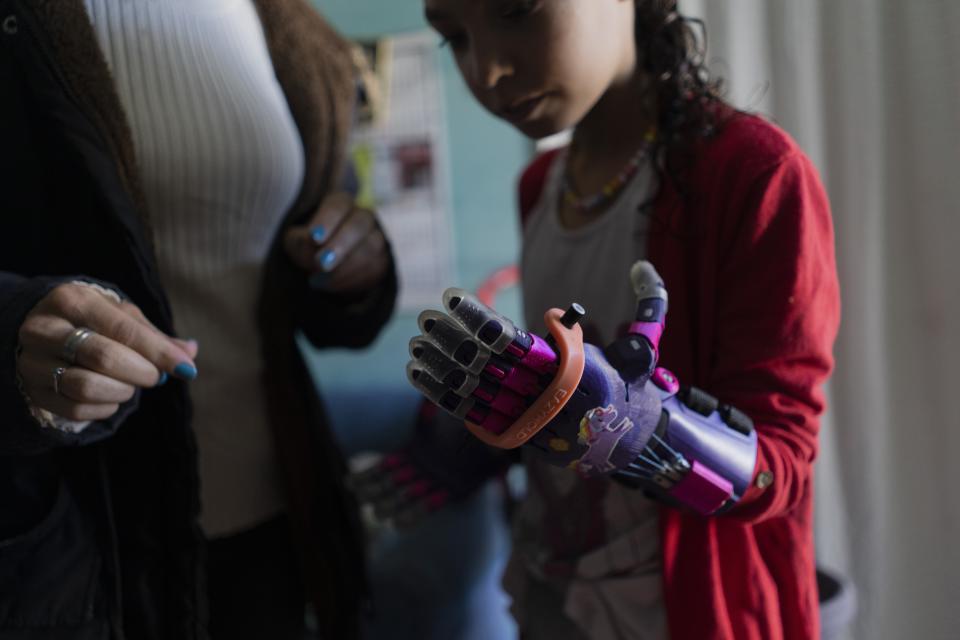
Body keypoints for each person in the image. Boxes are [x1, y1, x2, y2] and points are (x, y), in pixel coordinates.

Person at [402, 0, 841, 638]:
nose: (487, 71)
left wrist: (644, 431)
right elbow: (554, 423)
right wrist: (474, 436)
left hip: (689, 613)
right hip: (552, 598)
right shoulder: (540, 187)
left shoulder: (753, 173)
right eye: (454, 39)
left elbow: (785, 469)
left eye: (516, 12)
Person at [0, 1, 396, 638]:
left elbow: (319, 286)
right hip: (70, 552)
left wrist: (356, 265)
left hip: (278, 514)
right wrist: (13, 332)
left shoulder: (285, 22)